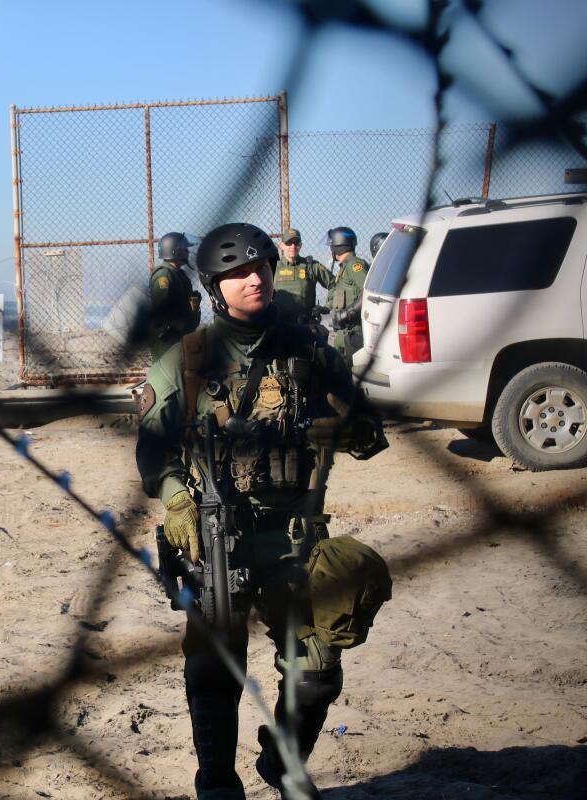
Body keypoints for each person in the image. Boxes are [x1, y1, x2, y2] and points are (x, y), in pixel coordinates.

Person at [135, 222, 388, 800]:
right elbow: (153, 446)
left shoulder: (309, 349)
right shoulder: (187, 359)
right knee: (212, 671)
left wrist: (345, 427)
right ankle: (218, 784)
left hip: (295, 537)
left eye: (262, 268)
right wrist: (176, 497)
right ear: (213, 286)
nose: (255, 280)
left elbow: (370, 431)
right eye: (238, 274)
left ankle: (281, 763)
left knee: (318, 670)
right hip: (217, 536)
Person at [148, 232, 202, 359]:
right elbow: (161, 311)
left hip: (180, 336)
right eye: (184, 249)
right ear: (175, 251)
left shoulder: (179, 274)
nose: (188, 252)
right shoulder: (164, 276)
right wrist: (180, 324)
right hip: (168, 340)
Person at [323, 227, 369, 364]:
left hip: (355, 333)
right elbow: (341, 295)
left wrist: (347, 313)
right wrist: (324, 308)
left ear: (337, 246)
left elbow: (367, 292)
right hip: (345, 333)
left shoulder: (354, 265)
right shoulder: (344, 268)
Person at [272, 227, 334, 328]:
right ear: (282, 245)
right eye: (289, 243)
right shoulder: (273, 267)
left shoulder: (311, 266)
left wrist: (326, 307)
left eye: (296, 243)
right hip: (279, 326)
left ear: (300, 245)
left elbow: (335, 285)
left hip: (306, 326)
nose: (293, 246)